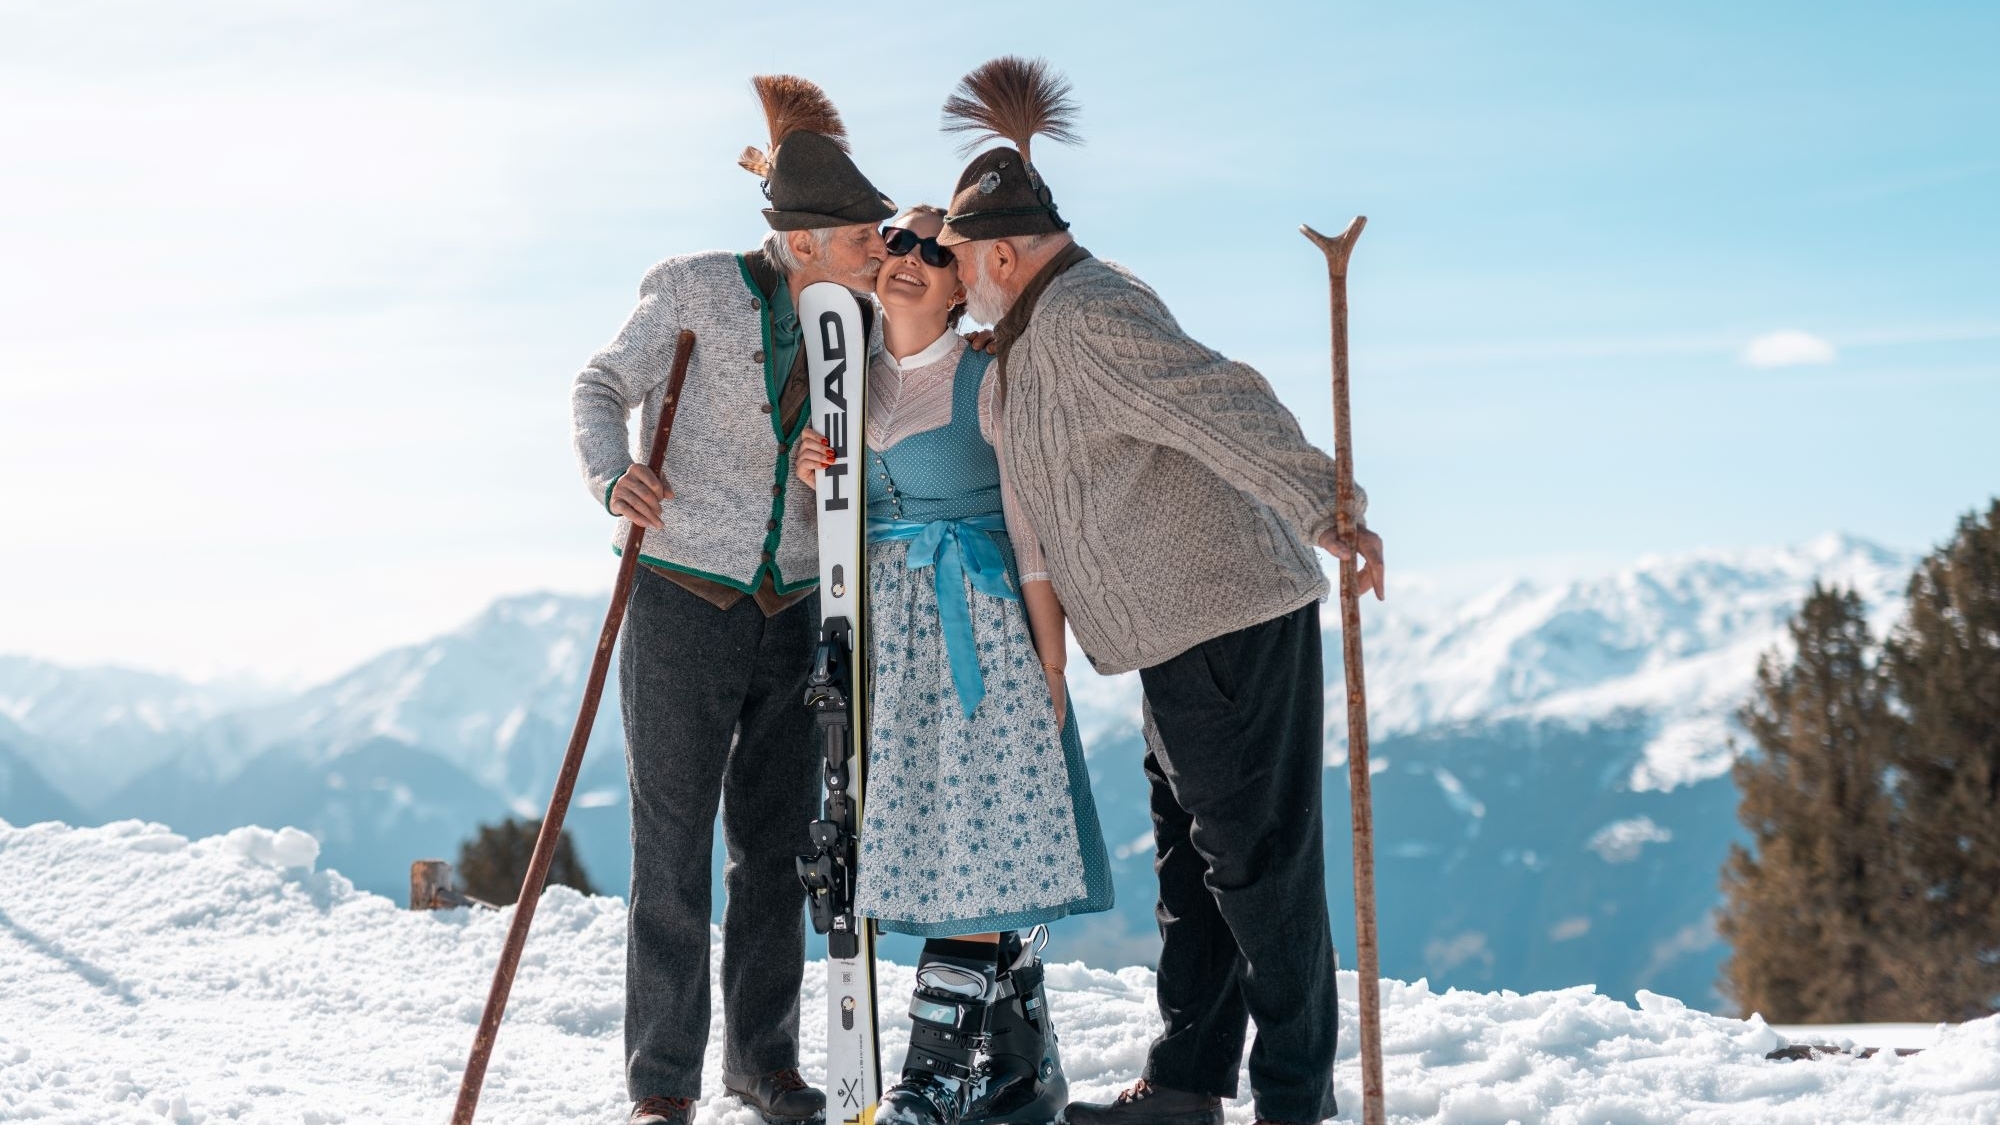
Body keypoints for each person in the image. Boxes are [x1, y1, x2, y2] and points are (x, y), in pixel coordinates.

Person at [928, 58, 1388, 1125]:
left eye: (961, 261)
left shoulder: (1085, 317)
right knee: (1196, 870)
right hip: (1175, 633)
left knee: (1259, 872)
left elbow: (1220, 399)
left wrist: (1327, 504)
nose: (957, 280)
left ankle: (1293, 1101)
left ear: (1003, 255)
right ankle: (1184, 1086)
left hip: (1229, 616)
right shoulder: (1039, 327)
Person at [570, 75, 894, 1125]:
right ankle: (661, 1082)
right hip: (679, 597)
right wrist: (612, 476)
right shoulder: (693, 289)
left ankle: (764, 1062)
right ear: (802, 243)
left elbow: (880, 435)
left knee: (779, 846)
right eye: (861, 238)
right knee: (671, 848)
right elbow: (597, 386)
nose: (877, 250)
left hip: (796, 605)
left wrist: (830, 466)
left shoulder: (862, 324)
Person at [793, 204, 1113, 1125]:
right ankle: (1022, 1059)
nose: (912, 257)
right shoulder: (842, 383)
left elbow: (1029, 524)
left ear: (959, 287)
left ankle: (929, 1078)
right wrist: (815, 478)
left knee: (979, 837)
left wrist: (1051, 660)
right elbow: (834, 538)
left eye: (938, 252)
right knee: (932, 836)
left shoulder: (987, 376)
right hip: (885, 645)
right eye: (898, 240)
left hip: (980, 625)